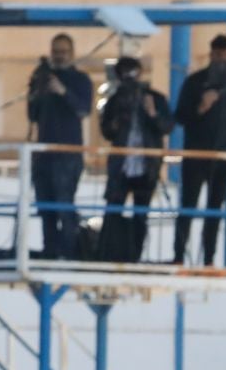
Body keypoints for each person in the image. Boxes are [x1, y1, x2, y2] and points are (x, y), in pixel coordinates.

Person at [174, 35, 226, 268]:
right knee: (187, 207)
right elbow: (180, 116)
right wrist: (201, 107)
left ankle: (209, 259)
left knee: (214, 211)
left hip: (223, 159)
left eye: (225, 54)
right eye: (217, 54)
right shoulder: (195, 82)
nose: (221, 59)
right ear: (211, 54)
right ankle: (178, 256)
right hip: (196, 156)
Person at [98, 56, 174, 263]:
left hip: (146, 167)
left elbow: (167, 127)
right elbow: (106, 131)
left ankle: (134, 257)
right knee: (113, 211)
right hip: (121, 167)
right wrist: (116, 121)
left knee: (141, 215)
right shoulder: (114, 100)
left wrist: (151, 113)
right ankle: (108, 256)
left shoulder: (155, 98)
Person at [27, 34, 93, 261]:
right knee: (46, 209)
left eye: (64, 51)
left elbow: (84, 110)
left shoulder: (81, 80)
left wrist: (63, 91)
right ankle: (50, 251)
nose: (59, 55)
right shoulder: (42, 79)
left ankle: (69, 252)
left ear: (72, 53)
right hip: (44, 155)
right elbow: (32, 115)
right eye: (56, 51)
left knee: (64, 206)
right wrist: (36, 90)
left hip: (68, 156)